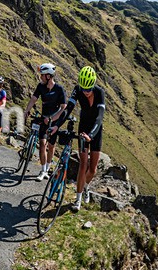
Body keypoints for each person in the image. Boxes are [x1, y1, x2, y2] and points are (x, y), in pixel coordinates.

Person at [59, 66, 105, 211]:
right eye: (83, 89)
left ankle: (86, 186)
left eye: (88, 89)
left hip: (95, 131)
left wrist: (91, 135)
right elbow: (68, 108)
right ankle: (77, 200)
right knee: (83, 164)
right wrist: (57, 125)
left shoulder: (99, 92)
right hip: (83, 127)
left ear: (93, 85)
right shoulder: (78, 89)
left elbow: (99, 117)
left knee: (93, 170)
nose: (85, 92)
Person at [23, 63, 67, 181]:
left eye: (42, 75)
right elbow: (34, 99)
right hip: (44, 119)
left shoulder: (59, 89)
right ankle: (43, 171)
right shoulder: (40, 86)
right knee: (42, 144)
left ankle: (47, 169)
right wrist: (27, 110)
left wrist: (53, 118)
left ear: (48, 76)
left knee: (51, 147)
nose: (40, 77)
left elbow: (63, 107)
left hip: (54, 121)